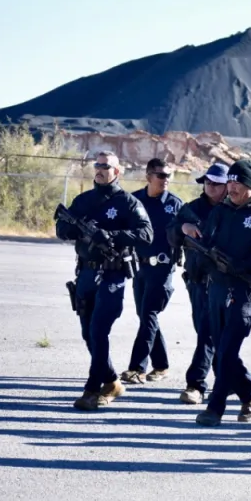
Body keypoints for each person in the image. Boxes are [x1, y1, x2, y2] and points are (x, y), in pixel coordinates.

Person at [189, 160, 251, 426]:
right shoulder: (220, 212)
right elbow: (206, 242)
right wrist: (203, 266)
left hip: (244, 290)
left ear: (249, 186)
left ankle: (215, 407)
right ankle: (250, 393)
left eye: (237, 183)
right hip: (216, 289)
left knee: (228, 349)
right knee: (222, 350)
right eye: (229, 182)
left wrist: (245, 264)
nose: (231, 187)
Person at [55, 151, 153, 410]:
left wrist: (111, 235)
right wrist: (77, 229)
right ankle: (111, 381)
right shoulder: (83, 200)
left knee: (99, 329)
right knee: (88, 332)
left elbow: (146, 234)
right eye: (97, 165)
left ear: (117, 172)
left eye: (105, 166)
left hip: (114, 273)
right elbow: (61, 229)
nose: (99, 170)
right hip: (86, 273)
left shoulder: (128, 203)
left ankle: (91, 389)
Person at [169, 163, 229, 405]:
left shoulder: (234, 211)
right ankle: (227, 379)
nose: (210, 186)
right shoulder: (192, 209)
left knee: (209, 332)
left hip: (225, 282)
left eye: (216, 183)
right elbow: (170, 232)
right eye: (207, 182)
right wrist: (183, 228)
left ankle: (196, 383)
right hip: (197, 281)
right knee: (206, 331)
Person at [120, 159, 183, 385]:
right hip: (139, 267)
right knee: (146, 316)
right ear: (148, 176)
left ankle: (138, 368)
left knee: (149, 315)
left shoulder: (176, 205)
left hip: (164, 268)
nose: (165, 179)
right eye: (160, 175)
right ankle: (162, 365)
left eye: (168, 175)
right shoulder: (134, 200)